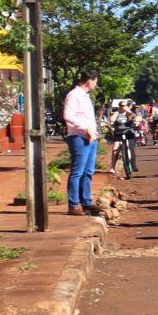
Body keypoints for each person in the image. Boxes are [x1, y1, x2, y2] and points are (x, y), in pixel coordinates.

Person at [61, 69, 101, 217]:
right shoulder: (73, 95)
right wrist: (86, 129)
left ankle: (86, 201)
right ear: (89, 81)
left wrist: (93, 133)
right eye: (96, 81)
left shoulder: (85, 97)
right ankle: (73, 204)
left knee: (88, 171)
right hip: (79, 138)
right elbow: (68, 116)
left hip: (91, 138)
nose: (96, 84)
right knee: (77, 172)